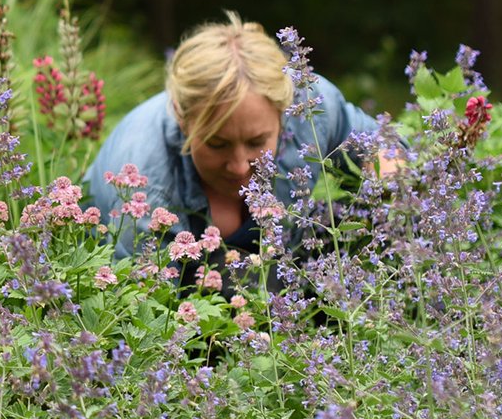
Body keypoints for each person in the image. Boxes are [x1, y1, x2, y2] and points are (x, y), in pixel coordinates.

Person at [83, 14, 394, 260]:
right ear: (181, 116)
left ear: (284, 111)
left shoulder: (310, 109)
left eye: (257, 142)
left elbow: (387, 149)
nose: (239, 167)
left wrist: (390, 192)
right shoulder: (144, 181)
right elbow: (144, 313)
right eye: (217, 143)